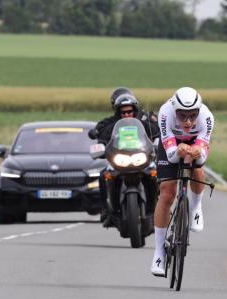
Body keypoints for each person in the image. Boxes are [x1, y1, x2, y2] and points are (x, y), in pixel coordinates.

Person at [150, 87, 215, 276]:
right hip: (171, 145)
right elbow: (171, 156)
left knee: (197, 168)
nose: (188, 121)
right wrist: (179, 150)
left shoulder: (207, 118)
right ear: (174, 109)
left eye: (193, 116)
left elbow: (201, 158)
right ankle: (159, 252)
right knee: (167, 193)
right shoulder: (165, 113)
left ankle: (195, 207)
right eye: (182, 116)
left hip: (195, 142)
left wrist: (196, 152)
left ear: (199, 112)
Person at [90, 87, 160, 227]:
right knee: (104, 175)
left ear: (135, 110)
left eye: (130, 111)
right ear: (118, 112)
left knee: (157, 173)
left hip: (141, 158)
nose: (127, 114)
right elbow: (102, 140)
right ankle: (106, 209)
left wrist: (158, 143)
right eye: (123, 112)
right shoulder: (111, 126)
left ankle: (160, 205)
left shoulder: (144, 121)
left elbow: (157, 133)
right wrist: (101, 147)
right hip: (119, 160)